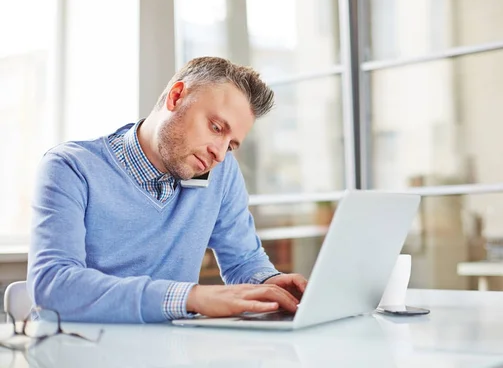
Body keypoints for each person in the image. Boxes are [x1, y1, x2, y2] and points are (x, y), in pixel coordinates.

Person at [27, 57, 308, 323]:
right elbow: (54, 285)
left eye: (232, 144)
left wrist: (269, 284)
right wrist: (190, 298)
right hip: (78, 350)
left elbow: (244, 260)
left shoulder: (221, 172)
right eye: (215, 127)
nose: (220, 153)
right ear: (176, 97)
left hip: (171, 350)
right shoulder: (70, 167)